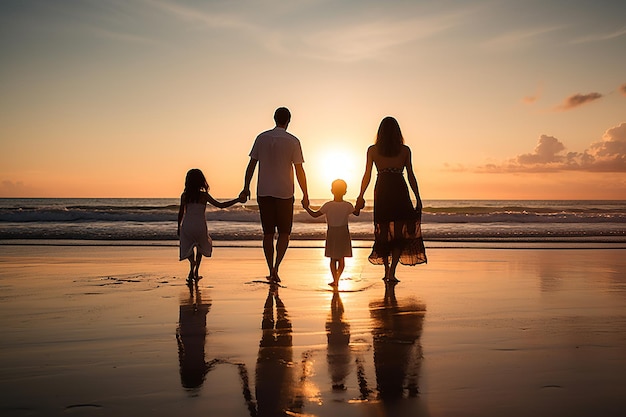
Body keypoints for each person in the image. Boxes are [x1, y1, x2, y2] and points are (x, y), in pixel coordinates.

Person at [240, 107, 310, 283]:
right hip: (285, 192)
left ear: (274, 118)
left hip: (264, 191)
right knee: (285, 233)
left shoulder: (261, 137)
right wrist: (306, 193)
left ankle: (270, 266)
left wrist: (246, 187)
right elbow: (299, 170)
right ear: (289, 120)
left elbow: (252, 165)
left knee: (268, 233)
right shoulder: (293, 141)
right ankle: (276, 267)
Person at [355, 116, 427, 282]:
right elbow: (410, 175)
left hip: (382, 190)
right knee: (399, 234)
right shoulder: (405, 150)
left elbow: (367, 175)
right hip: (399, 190)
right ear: (397, 132)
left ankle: (387, 270)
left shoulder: (373, 150)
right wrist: (418, 198)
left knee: (383, 231)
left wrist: (360, 195)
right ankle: (391, 272)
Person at [178, 168, 242, 283]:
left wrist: (179, 226)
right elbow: (221, 205)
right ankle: (196, 271)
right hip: (200, 225)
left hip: (187, 225)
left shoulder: (185, 195)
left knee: (188, 246)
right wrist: (237, 200)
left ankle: (191, 266)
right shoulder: (204, 196)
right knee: (200, 247)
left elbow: (181, 213)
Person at [304, 179, 358, 287]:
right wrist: (360, 204)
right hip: (342, 232)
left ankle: (335, 280)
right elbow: (357, 213)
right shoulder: (347, 205)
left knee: (333, 259)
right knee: (341, 258)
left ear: (332, 190)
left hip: (333, 232)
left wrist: (306, 208)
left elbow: (315, 215)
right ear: (345, 191)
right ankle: (336, 279)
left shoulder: (328, 205)